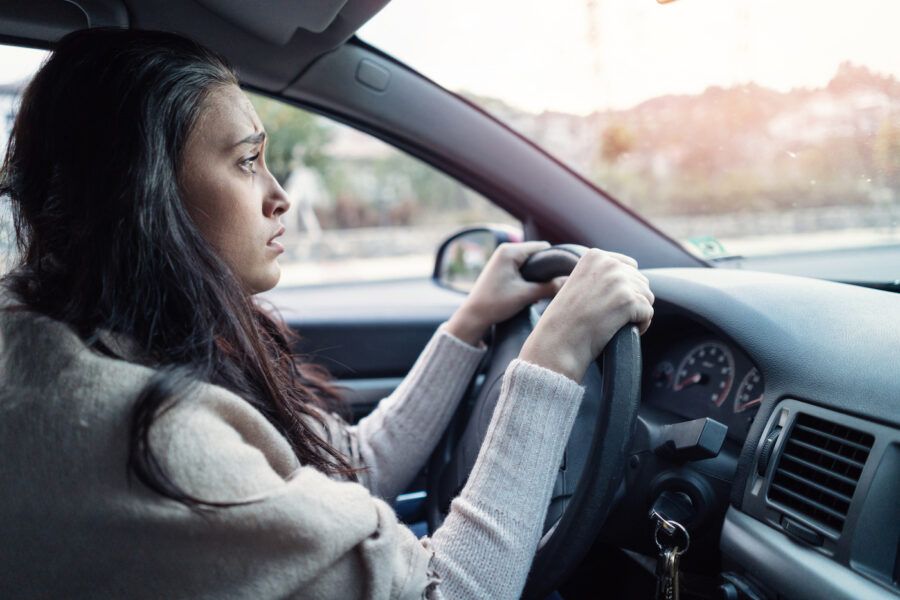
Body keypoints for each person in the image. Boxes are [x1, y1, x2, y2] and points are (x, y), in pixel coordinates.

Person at [0, 28, 654, 599]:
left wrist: (468, 324)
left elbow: (344, 469)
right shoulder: (153, 447)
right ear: (141, 191)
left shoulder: (98, 344)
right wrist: (554, 359)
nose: (279, 195)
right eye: (247, 161)